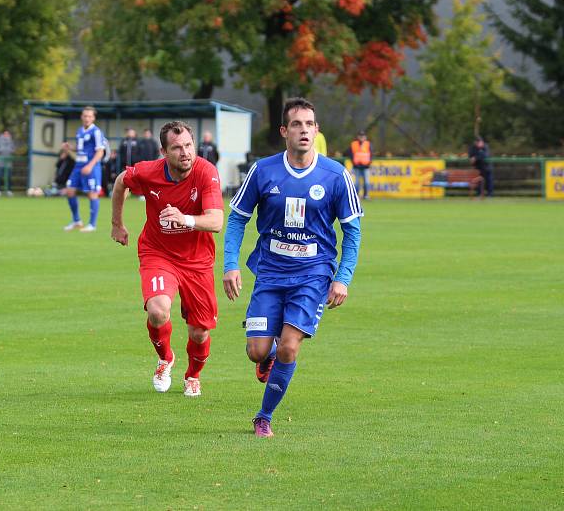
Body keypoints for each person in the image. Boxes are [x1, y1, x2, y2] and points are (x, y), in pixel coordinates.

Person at [222, 97, 363, 438]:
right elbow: (237, 219)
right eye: (297, 124)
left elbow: (353, 231)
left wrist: (342, 278)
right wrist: (230, 265)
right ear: (284, 131)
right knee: (257, 352)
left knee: (289, 346)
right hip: (269, 272)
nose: (304, 130)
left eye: (309, 124)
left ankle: (263, 417)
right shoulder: (263, 170)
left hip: (313, 274)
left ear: (317, 130)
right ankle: (266, 354)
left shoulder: (335, 175)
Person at [111, 121, 224, 397]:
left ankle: (192, 375)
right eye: (176, 147)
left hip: (197, 261)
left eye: (188, 145)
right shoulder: (148, 172)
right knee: (158, 310)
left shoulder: (206, 172)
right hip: (157, 252)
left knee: (199, 332)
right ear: (164, 151)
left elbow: (216, 221)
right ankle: (165, 359)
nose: (185, 152)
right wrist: (117, 223)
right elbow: (120, 182)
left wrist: (183, 218)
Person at [64, 106, 105, 232]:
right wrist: (70, 147)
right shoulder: (79, 131)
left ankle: (92, 224)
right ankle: (77, 221)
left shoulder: (96, 132)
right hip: (78, 165)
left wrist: (90, 165)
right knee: (69, 190)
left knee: (92, 193)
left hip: (91, 166)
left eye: (89, 116)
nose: (87, 118)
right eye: (85, 116)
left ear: (93, 118)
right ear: (82, 117)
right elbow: (81, 147)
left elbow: (100, 152)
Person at [345, 130, 371, 199]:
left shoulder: (368, 144)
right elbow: (350, 154)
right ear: (358, 137)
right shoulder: (354, 144)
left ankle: (366, 195)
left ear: (365, 137)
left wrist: (368, 163)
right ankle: (356, 196)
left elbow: (371, 155)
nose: (362, 137)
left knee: (366, 182)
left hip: (366, 166)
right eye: (360, 136)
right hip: (356, 166)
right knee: (356, 182)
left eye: (363, 136)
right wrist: (354, 163)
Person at [0, 129, 16, 197]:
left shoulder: (11, 141)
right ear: (3, 134)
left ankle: (9, 190)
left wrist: (10, 150)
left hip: (9, 162)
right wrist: (0, 150)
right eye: (5, 134)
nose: (7, 135)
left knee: (9, 177)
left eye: (8, 134)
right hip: (0, 161)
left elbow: (14, 149)